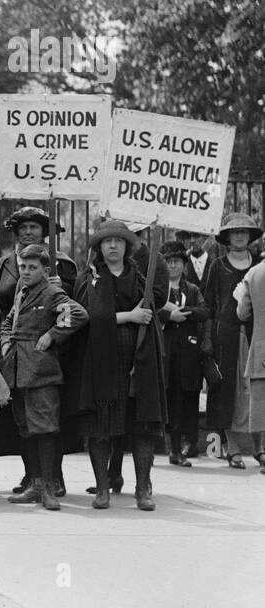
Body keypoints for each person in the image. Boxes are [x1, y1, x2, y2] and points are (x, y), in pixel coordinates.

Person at [70, 220, 168, 511]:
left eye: (119, 241)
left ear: (127, 246)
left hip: (138, 356)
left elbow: (156, 304)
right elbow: (86, 316)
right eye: (106, 241)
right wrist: (129, 316)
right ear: (99, 247)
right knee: (101, 426)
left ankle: (142, 489)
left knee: (141, 426)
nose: (113, 246)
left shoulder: (141, 278)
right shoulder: (89, 278)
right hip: (101, 359)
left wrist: (144, 313)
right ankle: (102, 489)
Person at [0, 205, 77, 497]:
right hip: (14, 354)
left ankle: (52, 480)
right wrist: (2, 341)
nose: (28, 232)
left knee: (47, 417)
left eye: (35, 227)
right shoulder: (4, 264)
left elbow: (73, 308)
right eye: (23, 228)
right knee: (23, 419)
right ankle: (33, 478)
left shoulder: (61, 265)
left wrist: (53, 335)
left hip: (45, 354)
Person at [0, 245, 88, 510]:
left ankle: (48, 487)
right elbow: (8, 321)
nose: (26, 272)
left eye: (32, 267)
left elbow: (79, 314)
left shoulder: (51, 293)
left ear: (45, 271)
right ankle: (35, 484)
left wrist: (52, 335)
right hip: (17, 369)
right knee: (26, 428)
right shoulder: (21, 293)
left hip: (41, 372)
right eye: (23, 267)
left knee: (45, 428)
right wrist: (4, 342)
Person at [203, 213, 263, 468]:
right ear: (226, 237)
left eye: (244, 232)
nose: (239, 236)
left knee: (257, 390)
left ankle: (260, 448)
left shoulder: (260, 265)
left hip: (256, 334)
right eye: (234, 232)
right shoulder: (217, 265)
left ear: (250, 237)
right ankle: (232, 447)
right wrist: (208, 337)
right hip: (225, 335)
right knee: (227, 390)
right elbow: (207, 304)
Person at [158, 241, 211, 466]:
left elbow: (205, 311)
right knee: (170, 399)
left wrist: (184, 313)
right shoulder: (159, 290)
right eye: (169, 262)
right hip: (166, 350)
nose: (173, 266)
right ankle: (173, 449)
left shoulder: (192, 289)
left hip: (189, 353)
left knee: (188, 397)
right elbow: (151, 309)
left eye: (177, 262)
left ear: (183, 264)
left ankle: (188, 445)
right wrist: (169, 316)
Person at [236, 254, 265, 474]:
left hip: (261, 348)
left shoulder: (254, 273)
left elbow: (242, 312)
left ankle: (260, 450)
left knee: (259, 402)